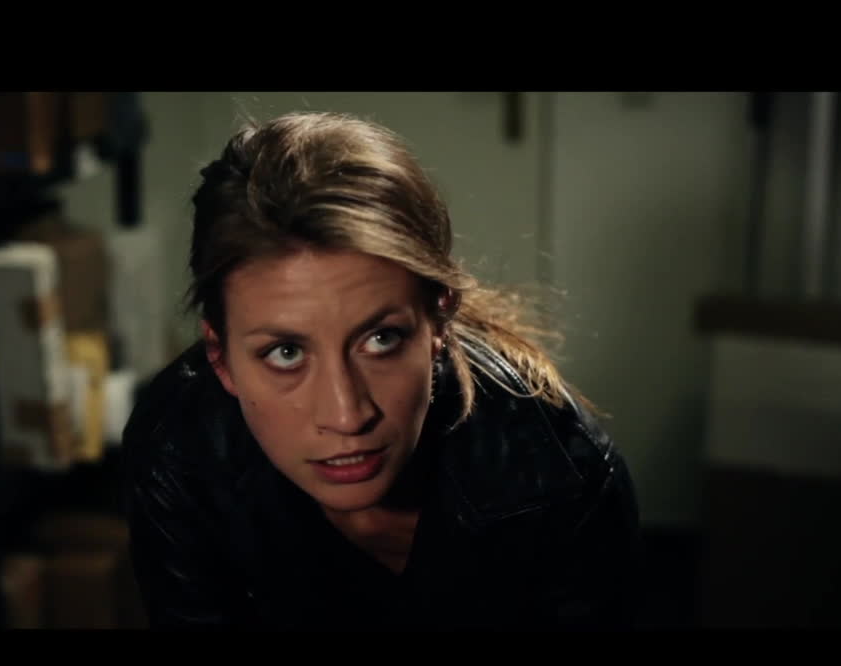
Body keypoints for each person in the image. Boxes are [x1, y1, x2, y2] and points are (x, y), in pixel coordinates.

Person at [121, 111, 643, 630]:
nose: (347, 415)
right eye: (286, 353)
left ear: (438, 320)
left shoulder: (559, 475)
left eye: (381, 339)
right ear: (221, 359)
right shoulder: (178, 454)